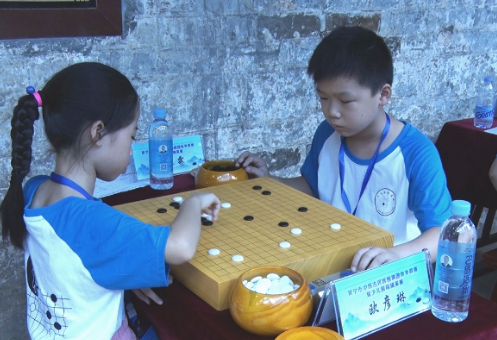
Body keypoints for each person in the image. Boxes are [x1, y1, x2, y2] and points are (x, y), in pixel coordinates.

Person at [0, 62, 221, 339]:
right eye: (131, 136)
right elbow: (180, 248)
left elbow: (75, 266)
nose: (131, 150)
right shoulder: (90, 221)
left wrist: (124, 270)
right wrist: (192, 202)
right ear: (98, 133)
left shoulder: (34, 190)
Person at [235, 26, 451, 273]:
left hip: (389, 276)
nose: (332, 112)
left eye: (345, 101)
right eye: (323, 98)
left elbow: (441, 234)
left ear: (383, 94)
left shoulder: (417, 154)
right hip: (330, 265)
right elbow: (312, 186)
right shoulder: (327, 134)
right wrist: (268, 180)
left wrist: (394, 254)